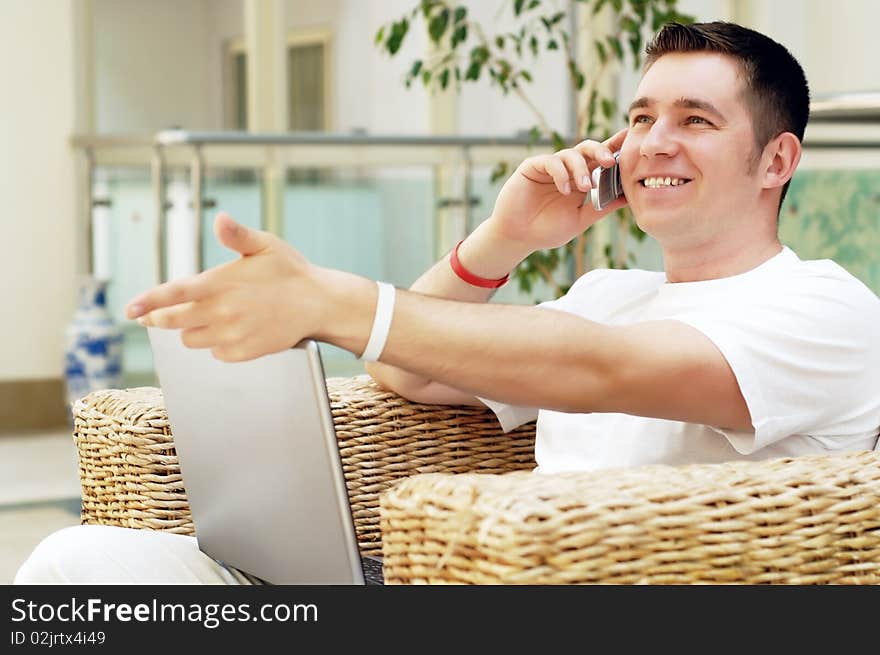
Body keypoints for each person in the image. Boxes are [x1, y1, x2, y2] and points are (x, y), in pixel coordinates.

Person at [16, 21, 880, 584]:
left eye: (696, 120)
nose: (653, 141)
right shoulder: (610, 291)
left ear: (776, 161)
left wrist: (334, 299)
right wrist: (501, 239)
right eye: (642, 115)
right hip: (451, 581)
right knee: (80, 565)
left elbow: (604, 370)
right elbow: (401, 372)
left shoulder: (825, 308)